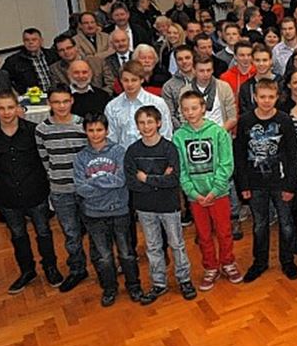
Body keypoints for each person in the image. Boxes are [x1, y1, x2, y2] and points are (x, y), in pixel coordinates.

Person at [0, 90, 63, 294]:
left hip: (35, 191)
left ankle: (51, 267)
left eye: (10, 107)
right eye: (1, 108)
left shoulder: (34, 130)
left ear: (18, 108)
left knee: (43, 232)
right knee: (17, 235)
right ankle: (27, 271)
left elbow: (44, 159)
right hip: (7, 195)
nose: (6, 112)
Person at [125, 105, 197, 303]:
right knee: (153, 246)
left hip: (169, 205)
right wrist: (158, 180)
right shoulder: (133, 151)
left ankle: (184, 279)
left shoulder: (169, 148)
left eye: (150, 121)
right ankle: (159, 283)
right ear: (137, 126)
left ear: (158, 123)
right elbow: (132, 182)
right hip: (145, 207)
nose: (146, 126)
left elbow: (173, 179)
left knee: (177, 244)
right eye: (141, 122)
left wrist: (146, 179)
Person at [173, 91, 242, 290]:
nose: (190, 112)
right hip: (196, 197)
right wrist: (193, 193)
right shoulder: (179, 137)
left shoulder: (218, 133)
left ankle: (228, 262)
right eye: (186, 109)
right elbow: (181, 170)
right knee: (203, 235)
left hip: (218, 194)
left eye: (194, 108)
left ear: (203, 108)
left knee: (224, 231)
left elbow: (226, 164)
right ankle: (210, 267)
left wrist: (215, 189)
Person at [73, 112, 143, 306]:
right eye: (91, 130)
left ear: (107, 130)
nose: (95, 134)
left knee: (126, 252)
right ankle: (110, 288)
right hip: (94, 214)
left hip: (119, 209)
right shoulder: (80, 158)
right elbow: (81, 188)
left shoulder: (119, 152)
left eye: (99, 130)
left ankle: (134, 285)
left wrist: (94, 181)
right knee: (103, 256)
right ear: (85, 131)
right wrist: (105, 182)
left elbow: (121, 180)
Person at [235, 79, 297, 283]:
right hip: (255, 183)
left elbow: (293, 155)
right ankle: (259, 262)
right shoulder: (245, 121)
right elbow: (239, 155)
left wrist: (290, 185)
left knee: (286, 223)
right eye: (262, 97)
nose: (266, 101)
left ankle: (287, 261)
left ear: (277, 97)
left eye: (270, 97)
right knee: (259, 225)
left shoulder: (285, 121)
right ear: (255, 97)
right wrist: (243, 185)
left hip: (280, 182)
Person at [34, 86, 90, 293]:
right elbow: (44, 159)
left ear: (72, 101)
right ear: (49, 103)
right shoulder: (42, 129)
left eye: (65, 101)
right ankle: (77, 269)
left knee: (94, 229)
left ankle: (102, 268)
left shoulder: (82, 125)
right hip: (60, 190)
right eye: (56, 102)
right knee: (70, 232)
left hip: (85, 189)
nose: (61, 106)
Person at [104, 61, 174, 149]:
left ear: (142, 80)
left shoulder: (157, 103)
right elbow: (111, 139)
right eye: (126, 80)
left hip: (154, 157)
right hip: (124, 158)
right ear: (120, 80)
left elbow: (166, 134)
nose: (129, 84)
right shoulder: (112, 106)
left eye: (134, 80)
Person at [3, 28, 59, 93]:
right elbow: (4, 80)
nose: (30, 42)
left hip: (55, 95)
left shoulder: (52, 55)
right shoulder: (13, 61)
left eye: (34, 39)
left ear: (41, 41)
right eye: (27, 40)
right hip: (31, 98)